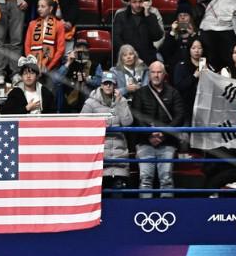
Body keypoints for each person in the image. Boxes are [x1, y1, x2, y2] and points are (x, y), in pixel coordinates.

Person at [134, 61, 185, 198]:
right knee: (145, 179)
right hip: (145, 142)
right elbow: (137, 116)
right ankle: (144, 209)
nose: (156, 75)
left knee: (166, 179)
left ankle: (166, 208)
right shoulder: (140, 93)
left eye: (159, 72)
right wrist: (149, 134)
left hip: (167, 142)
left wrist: (164, 133)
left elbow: (179, 116)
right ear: (149, 74)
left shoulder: (174, 93)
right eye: (153, 72)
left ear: (164, 74)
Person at [81, 71, 133, 188]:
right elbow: (81, 124)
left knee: (118, 193)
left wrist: (120, 103)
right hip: (99, 157)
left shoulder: (122, 101)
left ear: (115, 85)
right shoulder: (91, 102)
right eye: (106, 83)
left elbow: (127, 122)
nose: (108, 86)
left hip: (119, 157)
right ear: (101, 85)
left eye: (111, 83)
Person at [112, 0, 164, 65]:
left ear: (145, 1)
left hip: (147, 59)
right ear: (129, 2)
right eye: (134, 2)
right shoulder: (121, 16)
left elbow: (157, 36)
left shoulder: (151, 16)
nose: (137, 5)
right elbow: (116, 38)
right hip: (127, 59)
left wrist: (147, 15)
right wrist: (128, 54)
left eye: (140, 1)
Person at [24, 0, 66, 73]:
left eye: (42, 6)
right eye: (38, 6)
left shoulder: (59, 25)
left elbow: (60, 49)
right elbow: (27, 46)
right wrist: (32, 64)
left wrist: (48, 67)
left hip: (52, 68)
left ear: (50, 8)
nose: (39, 9)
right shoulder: (32, 24)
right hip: (34, 67)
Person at [172, 36, 207, 120]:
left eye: (199, 48)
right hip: (187, 106)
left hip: (204, 105)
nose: (196, 51)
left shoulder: (207, 65)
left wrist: (210, 73)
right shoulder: (181, 66)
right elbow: (179, 86)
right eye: (193, 48)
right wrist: (194, 76)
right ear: (189, 49)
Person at [161, 0, 199, 65]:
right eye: (180, 15)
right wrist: (172, 33)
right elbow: (165, 52)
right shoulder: (172, 32)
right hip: (176, 65)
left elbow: (201, 51)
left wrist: (193, 35)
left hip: (193, 65)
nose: (182, 17)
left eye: (185, 15)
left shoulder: (197, 32)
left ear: (190, 17)